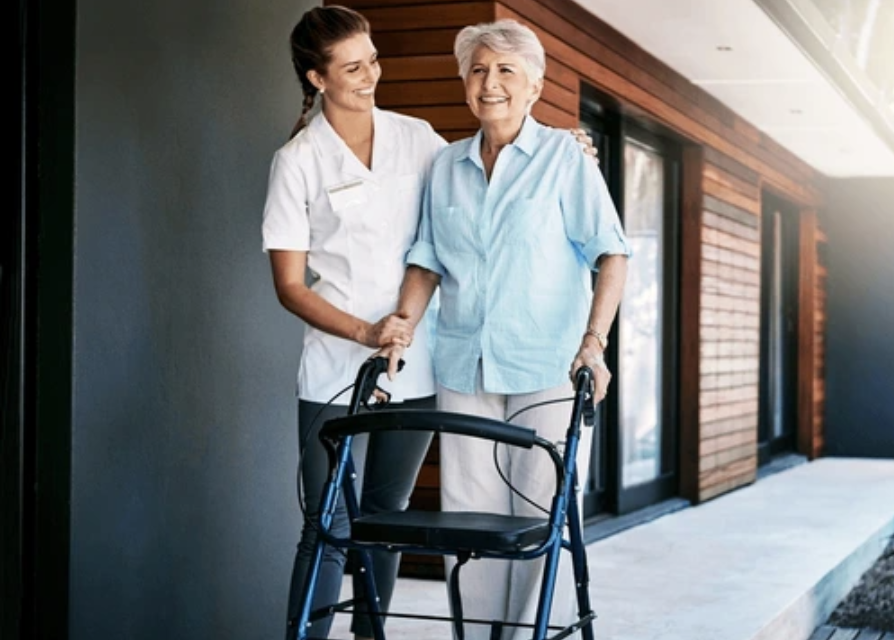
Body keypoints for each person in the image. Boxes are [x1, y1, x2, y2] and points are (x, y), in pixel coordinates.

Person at [261, 8, 599, 639]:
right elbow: (288, 286)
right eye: (353, 67)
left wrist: (565, 147)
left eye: (373, 60)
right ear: (317, 77)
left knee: (388, 513)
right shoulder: (298, 161)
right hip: (337, 368)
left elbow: (487, 177)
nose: (370, 75)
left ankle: (371, 634)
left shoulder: (417, 138)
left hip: (415, 363)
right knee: (327, 519)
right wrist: (365, 332)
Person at [383, 18, 630, 640]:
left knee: (540, 510)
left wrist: (594, 344)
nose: (489, 83)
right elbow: (427, 257)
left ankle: (528, 635)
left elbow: (612, 253)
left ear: (534, 85)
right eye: (478, 70)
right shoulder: (446, 165)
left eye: (505, 71)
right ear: (465, 82)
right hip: (466, 365)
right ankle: (480, 632)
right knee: (468, 518)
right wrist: (403, 328)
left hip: (548, 364)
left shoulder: (564, 160)